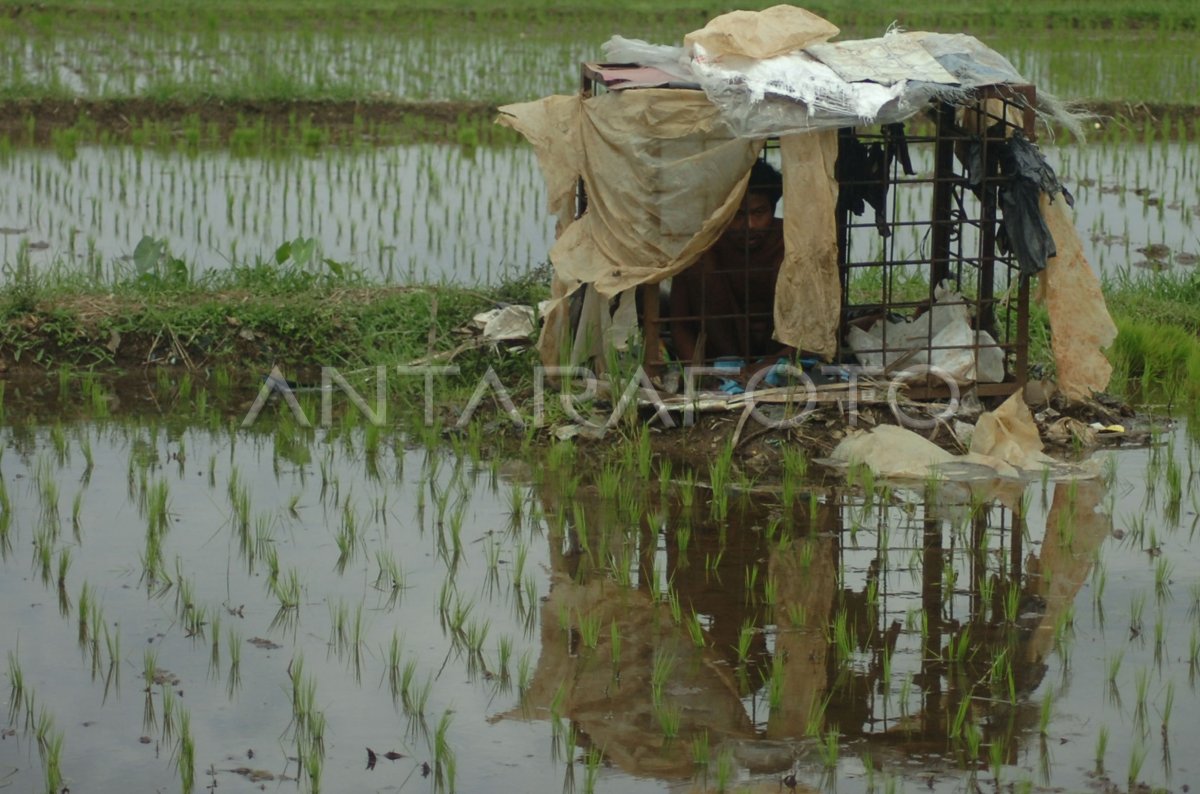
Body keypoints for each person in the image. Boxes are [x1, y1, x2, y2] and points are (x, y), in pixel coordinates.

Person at [669, 159, 794, 378]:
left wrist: (763, 367)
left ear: (773, 208)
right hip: (723, 350)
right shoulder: (705, 245)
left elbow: (815, 330)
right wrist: (698, 374)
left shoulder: (789, 243)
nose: (749, 225)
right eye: (738, 214)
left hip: (778, 351)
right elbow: (680, 324)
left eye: (759, 212)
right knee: (700, 262)